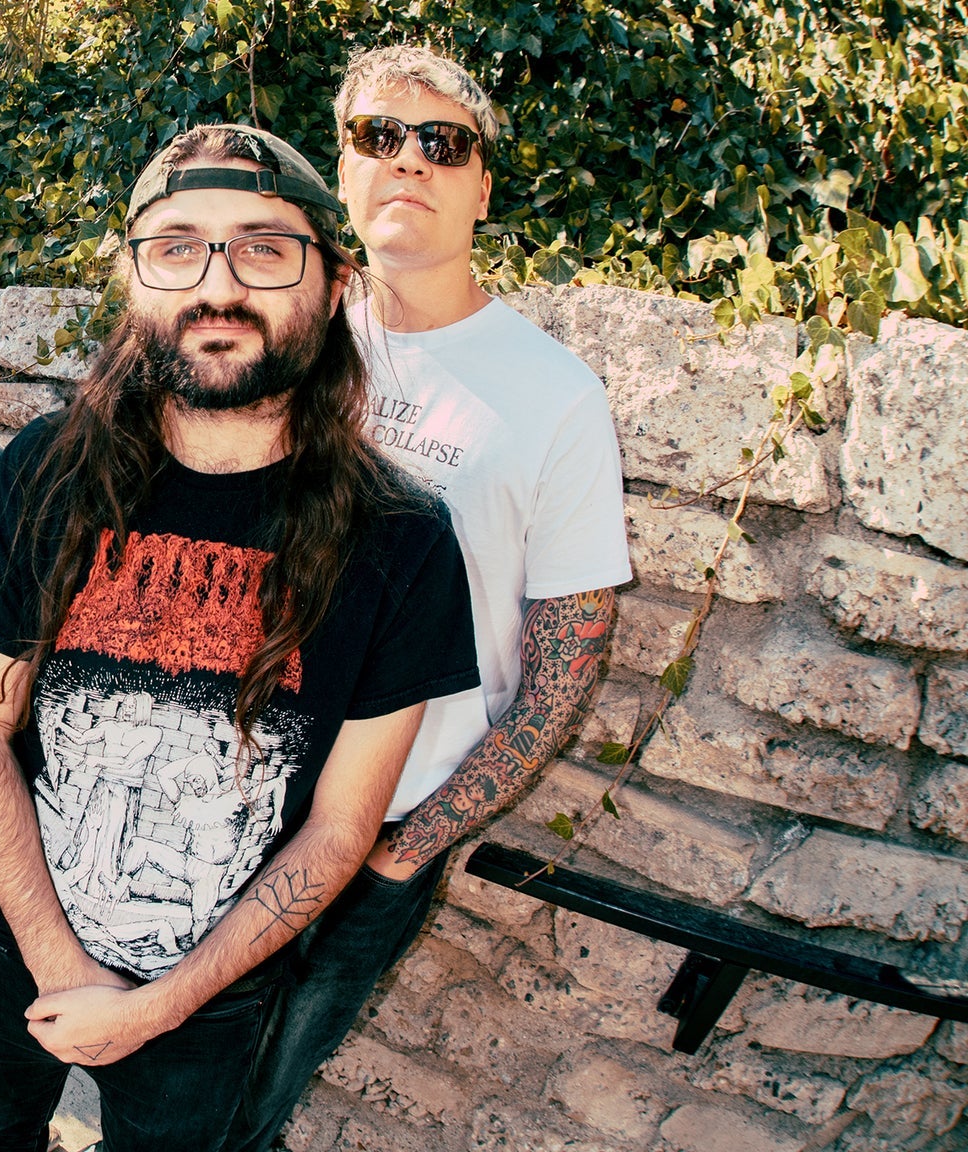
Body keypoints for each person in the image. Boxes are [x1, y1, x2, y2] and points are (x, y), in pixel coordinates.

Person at [0, 124, 481, 1151]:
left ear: (335, 283)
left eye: (263, 248)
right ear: (133, 278)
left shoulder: (401, 539)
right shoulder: (47, 470)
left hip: (212, 996)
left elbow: (338, 828)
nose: (217, 286)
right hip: (18, 940)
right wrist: (58, 962)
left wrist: (156, 1008)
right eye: (177, 248)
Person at [217, 46, 631, 1151]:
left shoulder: (554, 394)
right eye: (378, 136)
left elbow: (568, 660)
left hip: (387, 825)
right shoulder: (284, 345)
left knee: (252, 1104)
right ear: (343, 172)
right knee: (161, 1070)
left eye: (443, 143)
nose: (409, 161)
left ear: (482, 188)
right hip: (225, 784)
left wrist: (409, 844)